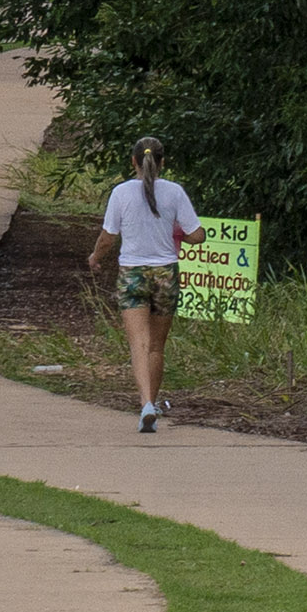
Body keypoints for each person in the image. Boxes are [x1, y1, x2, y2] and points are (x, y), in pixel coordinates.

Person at [88, 136, 201, 432]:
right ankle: (154, 399)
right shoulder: (174, 193)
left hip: (133, 272)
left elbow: (108, 236)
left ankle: (146, 404)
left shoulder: (121, 193)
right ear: (162, 162)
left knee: (138, 343)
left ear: (134, 161)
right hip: (166, 273)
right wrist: (177, 231)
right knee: (157, 346)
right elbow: (197, 234)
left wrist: (95, 256)